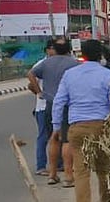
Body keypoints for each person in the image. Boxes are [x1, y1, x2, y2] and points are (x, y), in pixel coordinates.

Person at [52, 40, 110, 202]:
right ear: (100, 54)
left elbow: (59, 101)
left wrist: (56, 127)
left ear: (82, 54)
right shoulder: (108, 74)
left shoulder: (70, 75)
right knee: (104, 170)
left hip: (77, 128)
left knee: (81, 172)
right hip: (102, 127)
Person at [28, 36, 79, 186]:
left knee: (53, 138)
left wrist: (39, 92)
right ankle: (68, 176)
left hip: (50, 104)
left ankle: (52, 174)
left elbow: (30, 74)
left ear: (55, 49)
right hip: (67, 105)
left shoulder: (46, 63)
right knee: (67, 140)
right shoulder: (74, 63)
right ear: (70, 49)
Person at [30, 40, 56, 175]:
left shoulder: (58, 64)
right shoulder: (41, 64)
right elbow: (30, 79)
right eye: (53, 48)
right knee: (43, 136)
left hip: (57, 106)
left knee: (58, 135)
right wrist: (39, 93)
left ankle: (59, 165)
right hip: (43, 107)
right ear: (47, 50)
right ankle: (41, 166)